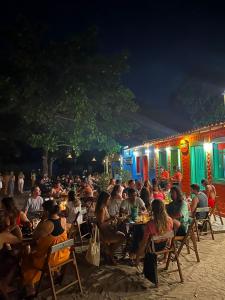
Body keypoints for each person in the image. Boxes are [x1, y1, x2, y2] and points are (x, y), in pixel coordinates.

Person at [21, 200, 70, 297]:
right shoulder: (63, 219)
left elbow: (34, 236)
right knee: (40, 252)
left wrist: (42, 221)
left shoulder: (47, 224)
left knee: (27, 257)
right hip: (64, 254)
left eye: (44, 210)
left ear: (47, 212)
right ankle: (55, 273)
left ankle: (30, 287)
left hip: (51, 260)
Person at [136, 199, 173, 265]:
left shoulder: (150, 224)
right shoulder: (170, 220)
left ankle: (138, 261)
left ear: (153, 210)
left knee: (140, 241)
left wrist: (137, 258)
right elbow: (169, 236)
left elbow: (144, 243)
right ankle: (165, 257)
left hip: (153, 248)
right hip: (165, 246)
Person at [95, 191, 125, 264]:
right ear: (104, 199)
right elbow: (101, 224)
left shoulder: (103, 207)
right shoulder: (101, 209)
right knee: (123, 237)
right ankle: (110, 254)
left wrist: (113, 217)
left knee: (122, 233)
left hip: (108, 230)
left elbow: (105, 219)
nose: (109, 200)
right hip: (105, 233)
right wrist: (111, 219)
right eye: (108, 199)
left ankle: (109, 253)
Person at [0, 213, 22, 296]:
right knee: (16, 260)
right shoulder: (3, 235)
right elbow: (20, 240)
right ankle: (4, 286)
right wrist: (16, 226)